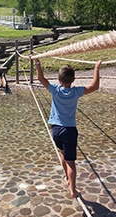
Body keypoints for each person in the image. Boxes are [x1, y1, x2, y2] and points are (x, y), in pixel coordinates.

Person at [32, 56, 102, 198]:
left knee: (63, 153)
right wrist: (96, 68)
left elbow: (41, 78)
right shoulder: (76, 91)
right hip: (69, 130)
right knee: (71, 162)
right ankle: (73, 190)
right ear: (73, 80)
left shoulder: (55, 90)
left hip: (55, 129)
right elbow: (95, 86)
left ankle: (67, 178)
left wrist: (37, 63)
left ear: (59, 80)